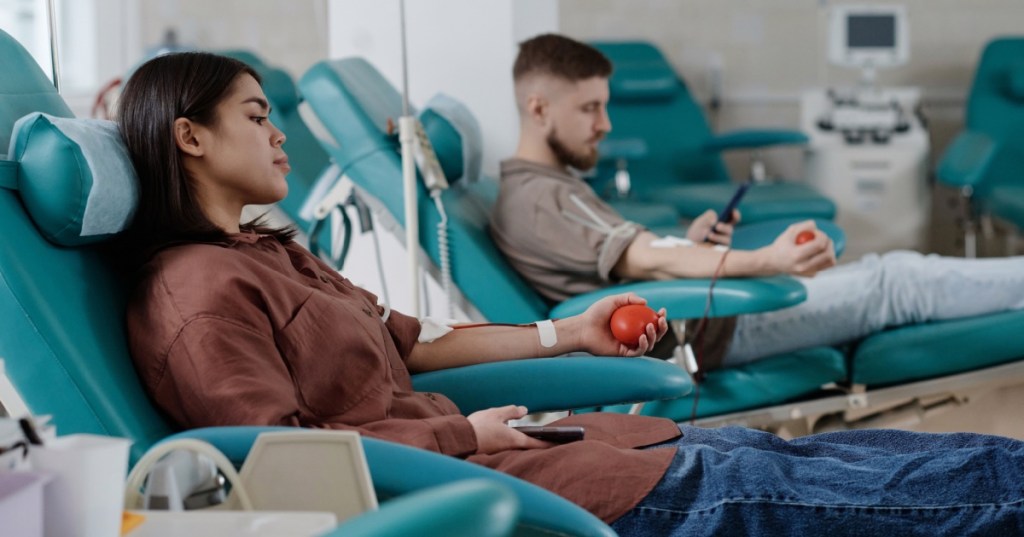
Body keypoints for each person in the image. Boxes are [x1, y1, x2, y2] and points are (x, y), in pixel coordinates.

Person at [119, 52, 1024, 536]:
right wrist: (462, 436)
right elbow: (279, 459)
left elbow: (417, 339)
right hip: (506, 483)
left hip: (570, 452)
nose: (280, 136)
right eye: (257, 116)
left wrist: (572, 334)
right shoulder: (194, 293)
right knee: (834, 485)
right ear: (190, 138)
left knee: (788, 455)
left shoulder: (270, 251)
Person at [490, 33, 1024, 370]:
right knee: (897, 284)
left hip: (704, 310)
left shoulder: (540, 189)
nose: (605, 125)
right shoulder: (542, 197)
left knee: (891, 274)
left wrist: (689, 244)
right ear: (538, 109)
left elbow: (626, 261)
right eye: (590, 108)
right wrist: (769, 259)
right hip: (711, 325)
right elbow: (644, 258)